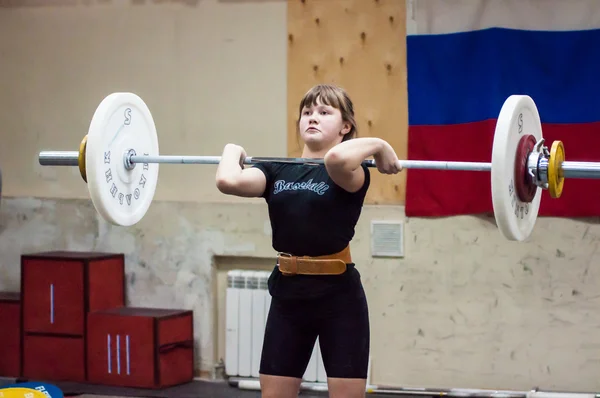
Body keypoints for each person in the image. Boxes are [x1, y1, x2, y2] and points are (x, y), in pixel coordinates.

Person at [215, 84, 403, 398]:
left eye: (324, 112)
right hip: (289, 296)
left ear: (346, 126)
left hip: (339, 299)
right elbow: (227, 180)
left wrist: (380, 145)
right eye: (307, 112)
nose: (312, 118)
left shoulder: (351, 173)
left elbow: (336, 160)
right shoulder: (276, 170)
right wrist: (233, 150)